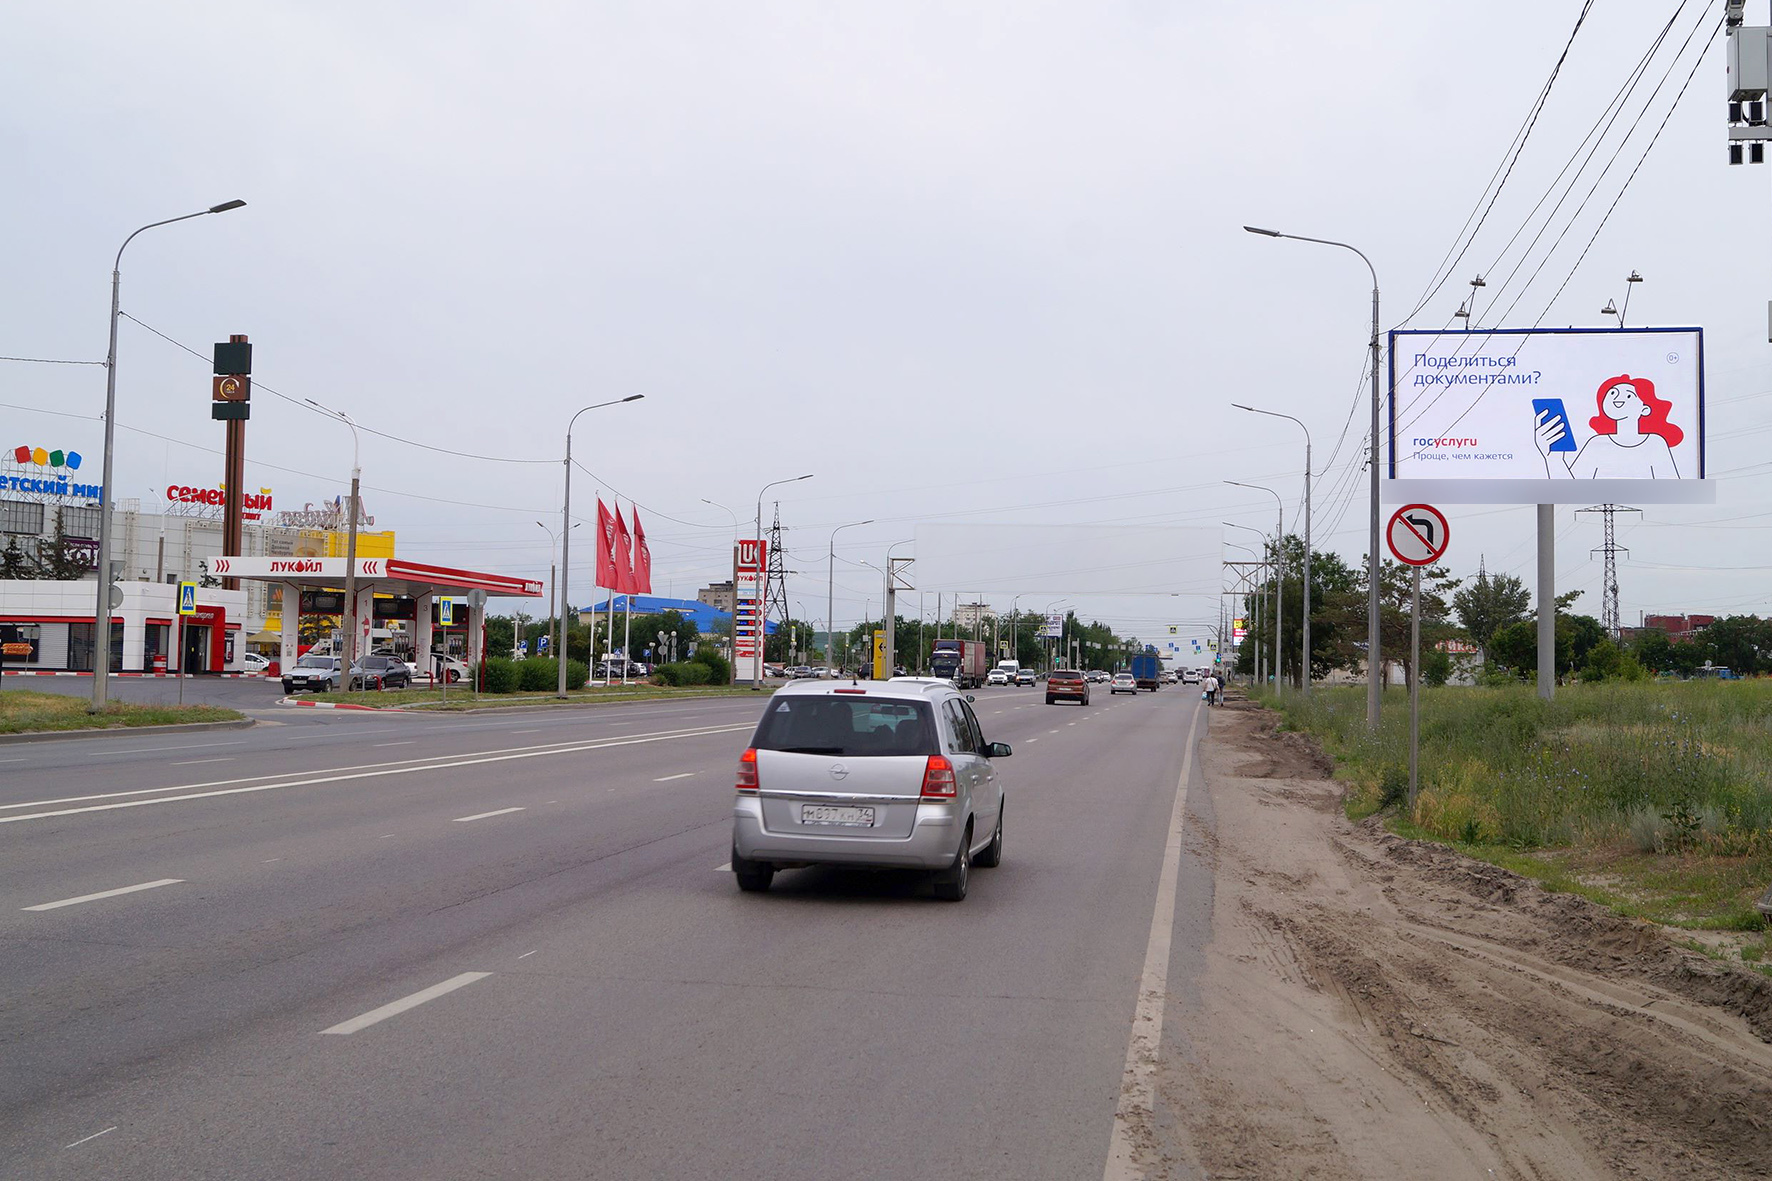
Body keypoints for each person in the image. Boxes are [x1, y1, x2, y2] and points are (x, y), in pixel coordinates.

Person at [1533, 374, 1683, 479]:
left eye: (1629, 395)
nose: (1618, 398)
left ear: (1644, 408)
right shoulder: (1595, 443)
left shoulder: (1655, 443)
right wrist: (1553, 459)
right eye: (1612, 393)